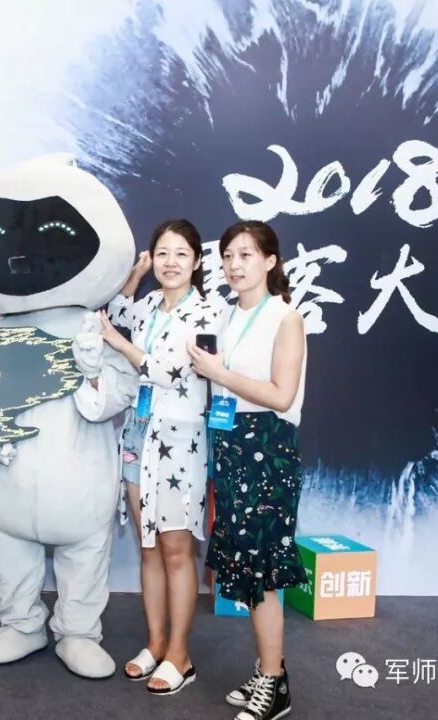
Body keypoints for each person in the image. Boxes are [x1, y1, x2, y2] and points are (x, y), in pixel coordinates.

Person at [187, 220, 307, 720]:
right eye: (228, 256)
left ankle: (275, 685)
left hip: (269, 450)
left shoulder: (286, 318)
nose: (234, 265)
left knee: (263, 574)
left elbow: (281, 394)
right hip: (232, 446)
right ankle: (268, 670)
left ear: (270, 261)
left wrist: (220, 373)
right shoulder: (226, 315)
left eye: (246, 255)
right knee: (247, 570)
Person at [100, 219, 220, 694]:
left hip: (181, 441)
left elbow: (168, 372)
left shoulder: (207, 313)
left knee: (176, 549)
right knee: (148, 546)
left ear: (197, 261)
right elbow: (116, 310)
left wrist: (119, 343)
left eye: (181, 254)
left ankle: (180, 655)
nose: (171, 263)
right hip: (138, 433)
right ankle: (154, 644)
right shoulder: (149, 303)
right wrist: (135, 273)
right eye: (162, 254)